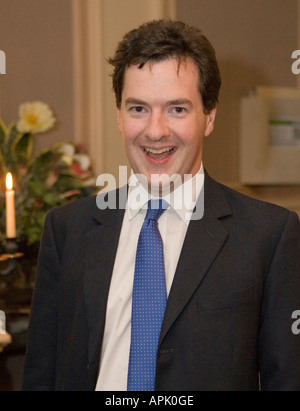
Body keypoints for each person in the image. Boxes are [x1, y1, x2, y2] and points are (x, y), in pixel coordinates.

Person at [22, 20, 300, 391]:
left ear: (209, 116)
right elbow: (42, 374)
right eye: (138, 108)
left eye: (177, 109)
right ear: (119, 116)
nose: (155, 131)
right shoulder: (67, 229)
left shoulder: (270, 236)